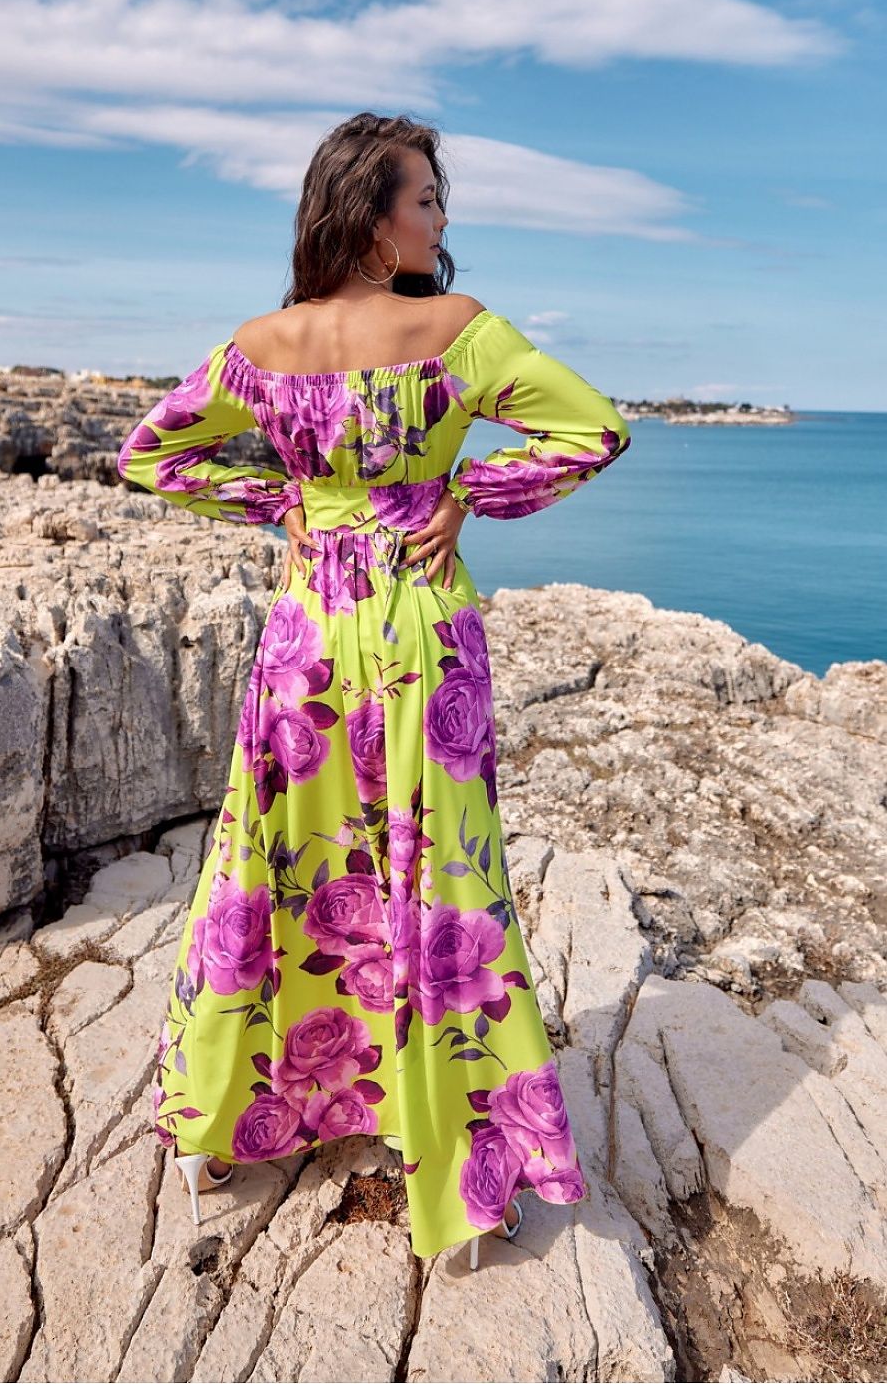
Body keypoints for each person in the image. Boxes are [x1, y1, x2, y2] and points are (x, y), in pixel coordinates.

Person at [116, 111, 632, 1269]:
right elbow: (592, 429)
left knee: (280, 863)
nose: (442, 221)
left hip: (309, 628)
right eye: (428, 201)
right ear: (370, 211)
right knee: (440, 880)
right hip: (419, 630)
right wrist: (475, 493)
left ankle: (234, 1117)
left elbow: (150, 452)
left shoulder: (264, 340)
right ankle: (453, 1161)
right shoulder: (454, 328)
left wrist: (278, 503)